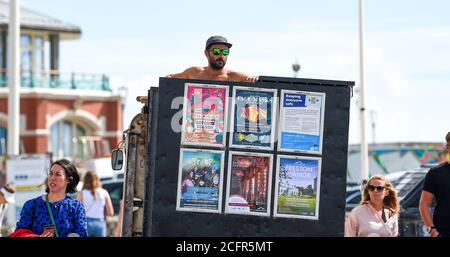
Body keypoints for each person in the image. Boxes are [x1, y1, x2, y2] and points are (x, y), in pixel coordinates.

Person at [11, 159, 87, 237]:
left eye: (58, 174)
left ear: (68, 180)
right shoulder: (32, 205)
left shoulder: (76, 206)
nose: (52, 178)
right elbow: (19, 233)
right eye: (51, 174)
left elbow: (82, 233)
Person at [166, 35, 258, 82]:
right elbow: (169, 78)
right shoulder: (195, 72)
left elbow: (255, 80)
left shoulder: (233, 77)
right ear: (206, 53)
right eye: (216, 51)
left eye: (225, 52)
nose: (221, 55)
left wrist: (254, 80)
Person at [419, 131, 450, 237]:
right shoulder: (435, 172)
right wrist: (432, 231)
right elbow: (424, 204)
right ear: (447, 147)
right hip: (443, 232)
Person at [77, 171, 114, 237]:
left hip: (86, 224)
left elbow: (77, 212)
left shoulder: (82, 193)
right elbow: (110, 212)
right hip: (100, 224)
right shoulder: (104, 192)